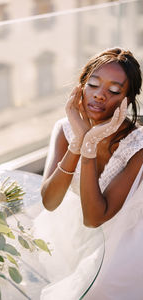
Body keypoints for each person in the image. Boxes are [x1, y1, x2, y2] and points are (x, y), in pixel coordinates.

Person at [33, 47, 143, 300]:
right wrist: (79, 140)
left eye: (114, 90)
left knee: (94, 289)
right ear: (80, 87)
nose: (100, 95)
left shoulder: (138, 147)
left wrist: (90, 145)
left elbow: (95, 218)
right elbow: (50, 202)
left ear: (127, 100)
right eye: (93, 84)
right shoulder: (66, 129)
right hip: (73, 227)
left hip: (123, 235)